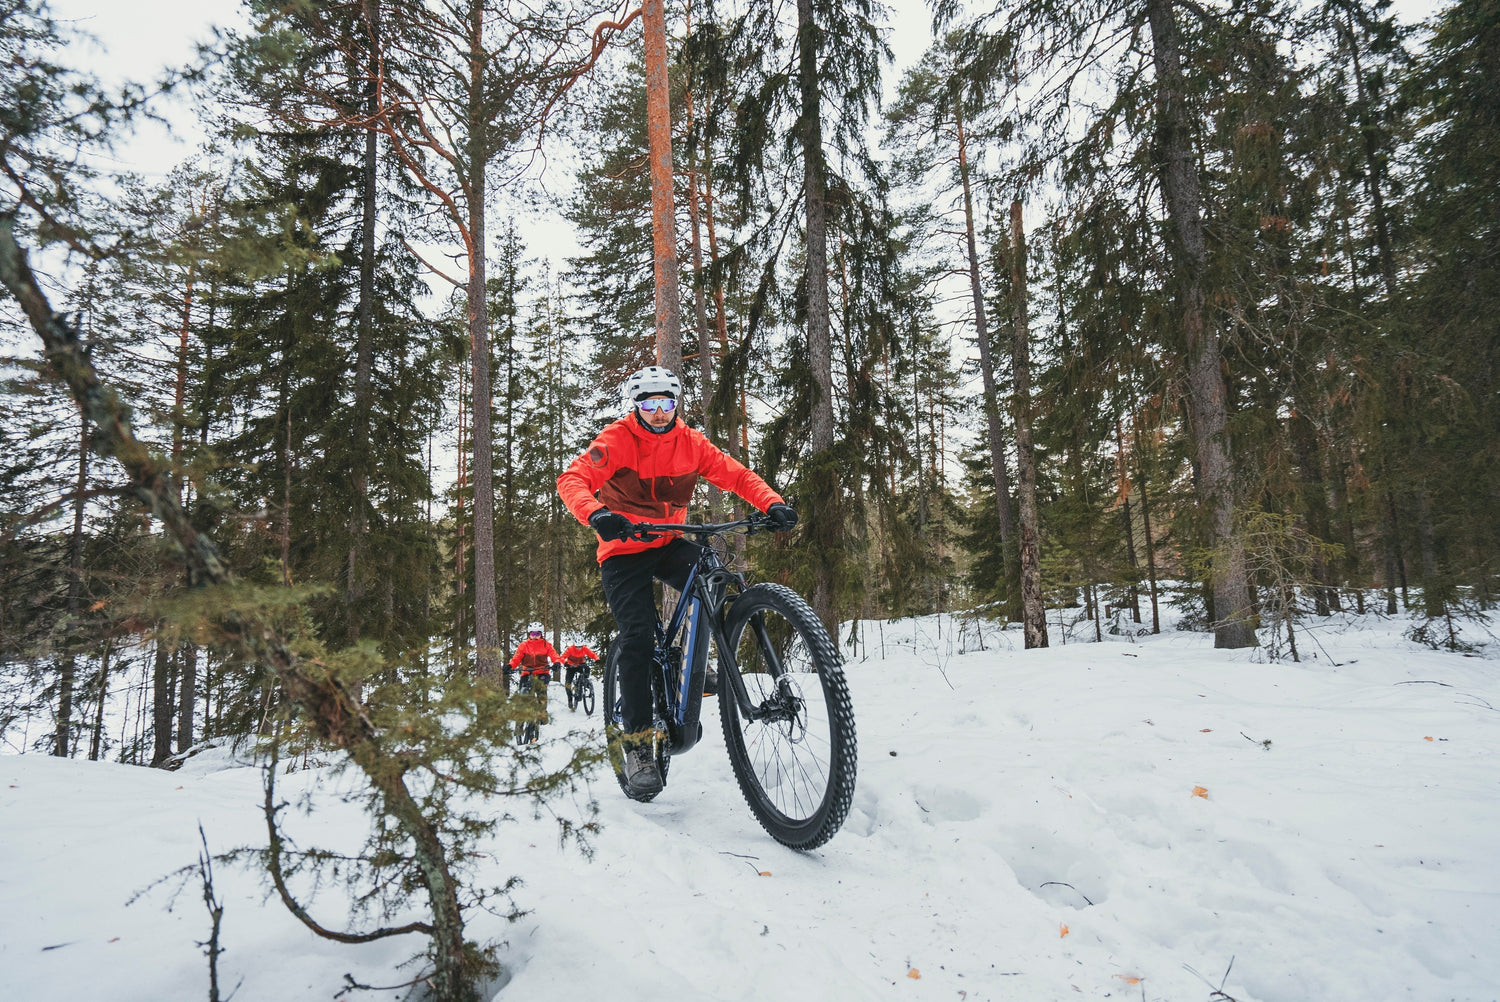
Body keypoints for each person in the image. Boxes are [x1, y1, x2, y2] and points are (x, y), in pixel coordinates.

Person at [557, 365, 797, 797]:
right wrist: (597, 515)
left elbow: (736, 474)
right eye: (649, 404)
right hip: (623, 548)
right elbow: (572, 479)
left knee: (712, 571)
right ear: (637, 406)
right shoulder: (615, 440)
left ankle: (694, 665)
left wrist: (772, 502)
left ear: (676, 403)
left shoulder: (691, 442)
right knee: (638, 639)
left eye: (667, 402)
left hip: (667, 541)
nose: (659, 412)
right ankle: (637, 747)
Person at [507, 622, 561, 728]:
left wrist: (557, 663)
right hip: (527, 672)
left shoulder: (546, 644)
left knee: (541, 694)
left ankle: (542, 715)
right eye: (532, 634)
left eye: (537, 634)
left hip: (542, 672)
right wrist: (510, 666)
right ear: (529, 634)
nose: (535, 636)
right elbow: (516, 658)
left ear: (541, 634)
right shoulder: (523, 645)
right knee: (523, 695)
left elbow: (554, 655)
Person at [558, 640, 600, 711]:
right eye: (577, 647)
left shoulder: (585, 648)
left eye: (580, 647)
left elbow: (592, 654)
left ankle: (585, 682)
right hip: (571, 667)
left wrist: (597, 659)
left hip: (581, 665)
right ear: (574, 646)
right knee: (568, 684)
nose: (579, 648)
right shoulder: (570, 649)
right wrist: (565, 663)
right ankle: (570, 699)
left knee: (587, 669)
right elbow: (562, 657)